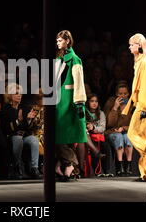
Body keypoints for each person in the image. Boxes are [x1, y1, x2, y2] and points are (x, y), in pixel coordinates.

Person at [54, 30, 87, 181]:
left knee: (62, 135)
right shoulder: (59, 58)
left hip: (69, 101)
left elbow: (79, 83)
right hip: (59, 100)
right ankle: (66, 165)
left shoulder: (74, 59)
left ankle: (70, 164)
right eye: (57, 41)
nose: (58, 43)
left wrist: (79, 103)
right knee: (59, 135)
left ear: (67, 41)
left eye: (60, 40)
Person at [122, 33, 146, 182]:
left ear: (139, 45)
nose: (129, 47)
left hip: (144, 105)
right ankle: (145, 173)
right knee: (141, 137)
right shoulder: (140, 60)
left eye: (132, 44)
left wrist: (145, 108)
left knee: (134, 134)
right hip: (140, 103)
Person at [0, 83, 40, 180]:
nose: (19, 95)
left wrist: (29, 119)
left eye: (20, 93)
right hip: (10, 137)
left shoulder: (24, 108)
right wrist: (19, 121)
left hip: (23, 136)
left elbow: (27, 128)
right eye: (16, 93)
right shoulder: (5, 109)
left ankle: (34, 168)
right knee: (18, 139)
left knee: (33, 139)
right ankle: (16, 167)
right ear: (9, 95)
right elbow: (7, 129)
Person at [104, 83, 134, 176]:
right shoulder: (110, 103)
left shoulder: (132, 105)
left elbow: (135, 124)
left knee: (128, 138)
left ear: (128, 94)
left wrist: (124, 128)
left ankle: (128, 167)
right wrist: (115, 108)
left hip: (127, 131)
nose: (123, 96)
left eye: (125, 93)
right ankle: (120, 167)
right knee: (118, 137)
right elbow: (109, 123)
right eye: (120, 94)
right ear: (116, 94)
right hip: (112, 131)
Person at [85, 93, 113, 177]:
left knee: (106, 146)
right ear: (88, 102)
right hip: (89, 137)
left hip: (99, 137)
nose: (94, 103)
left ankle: (107, 170)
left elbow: (102, 128)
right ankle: (98, 172)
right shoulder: (84, 112)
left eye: (96, 101)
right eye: (92, 101)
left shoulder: (101, 113)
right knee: (94, 146)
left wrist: (93, 127)